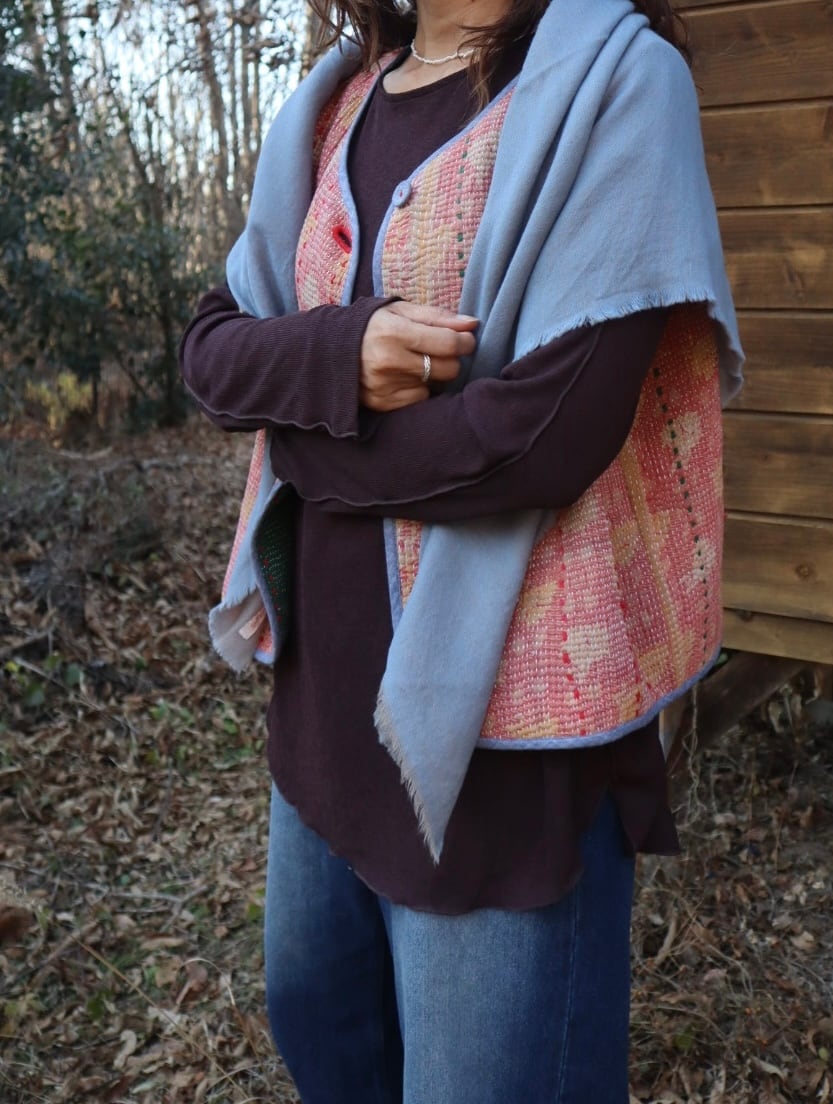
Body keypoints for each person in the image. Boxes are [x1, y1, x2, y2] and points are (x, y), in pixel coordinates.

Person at [180, 0, 743, 1097]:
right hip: (318, 720)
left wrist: (303, 443)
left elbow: (543, 434)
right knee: (323, 1040)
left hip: (504, 757)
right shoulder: (335, 101)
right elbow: (212, 351)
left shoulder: (616, 83)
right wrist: (338, 356)